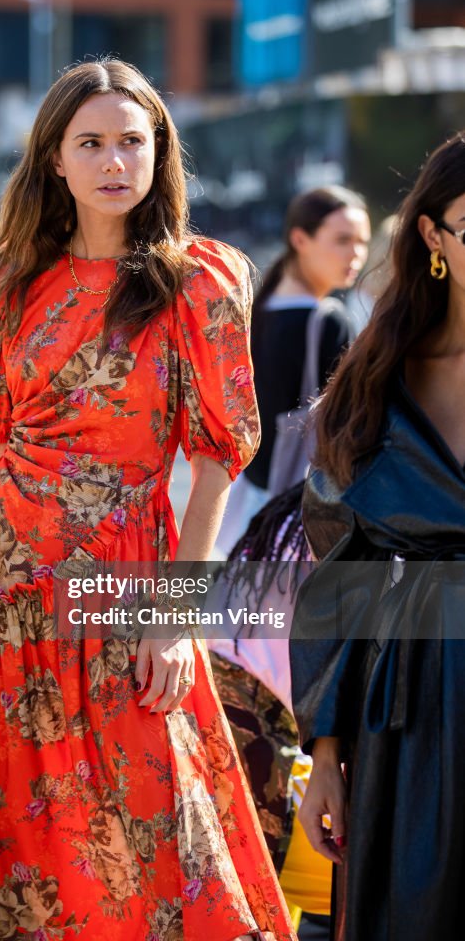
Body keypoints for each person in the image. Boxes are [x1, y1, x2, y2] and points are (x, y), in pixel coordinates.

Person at [0, 60, 296, 941]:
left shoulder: (199, 282)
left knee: (146, 833)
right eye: (89, 142)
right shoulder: (6, 277)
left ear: (158, 152)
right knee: (14, 841)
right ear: (54, 160)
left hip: (125, 587)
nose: (113, 161)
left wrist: (178, 619)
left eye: (133, 141)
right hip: (0, 597)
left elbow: (215, 468)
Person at [291, 132, 465, 939]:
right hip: (411, 718)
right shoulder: (373, 383)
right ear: (432, 236)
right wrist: (324, 756)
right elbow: (335, 574)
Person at [217, 186, 370, 557]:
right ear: (300, 239)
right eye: (343, 240)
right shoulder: (327, 321)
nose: (357, 254)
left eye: (363, 242)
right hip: (302, 512)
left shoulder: (253, 312)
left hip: (246, 503)